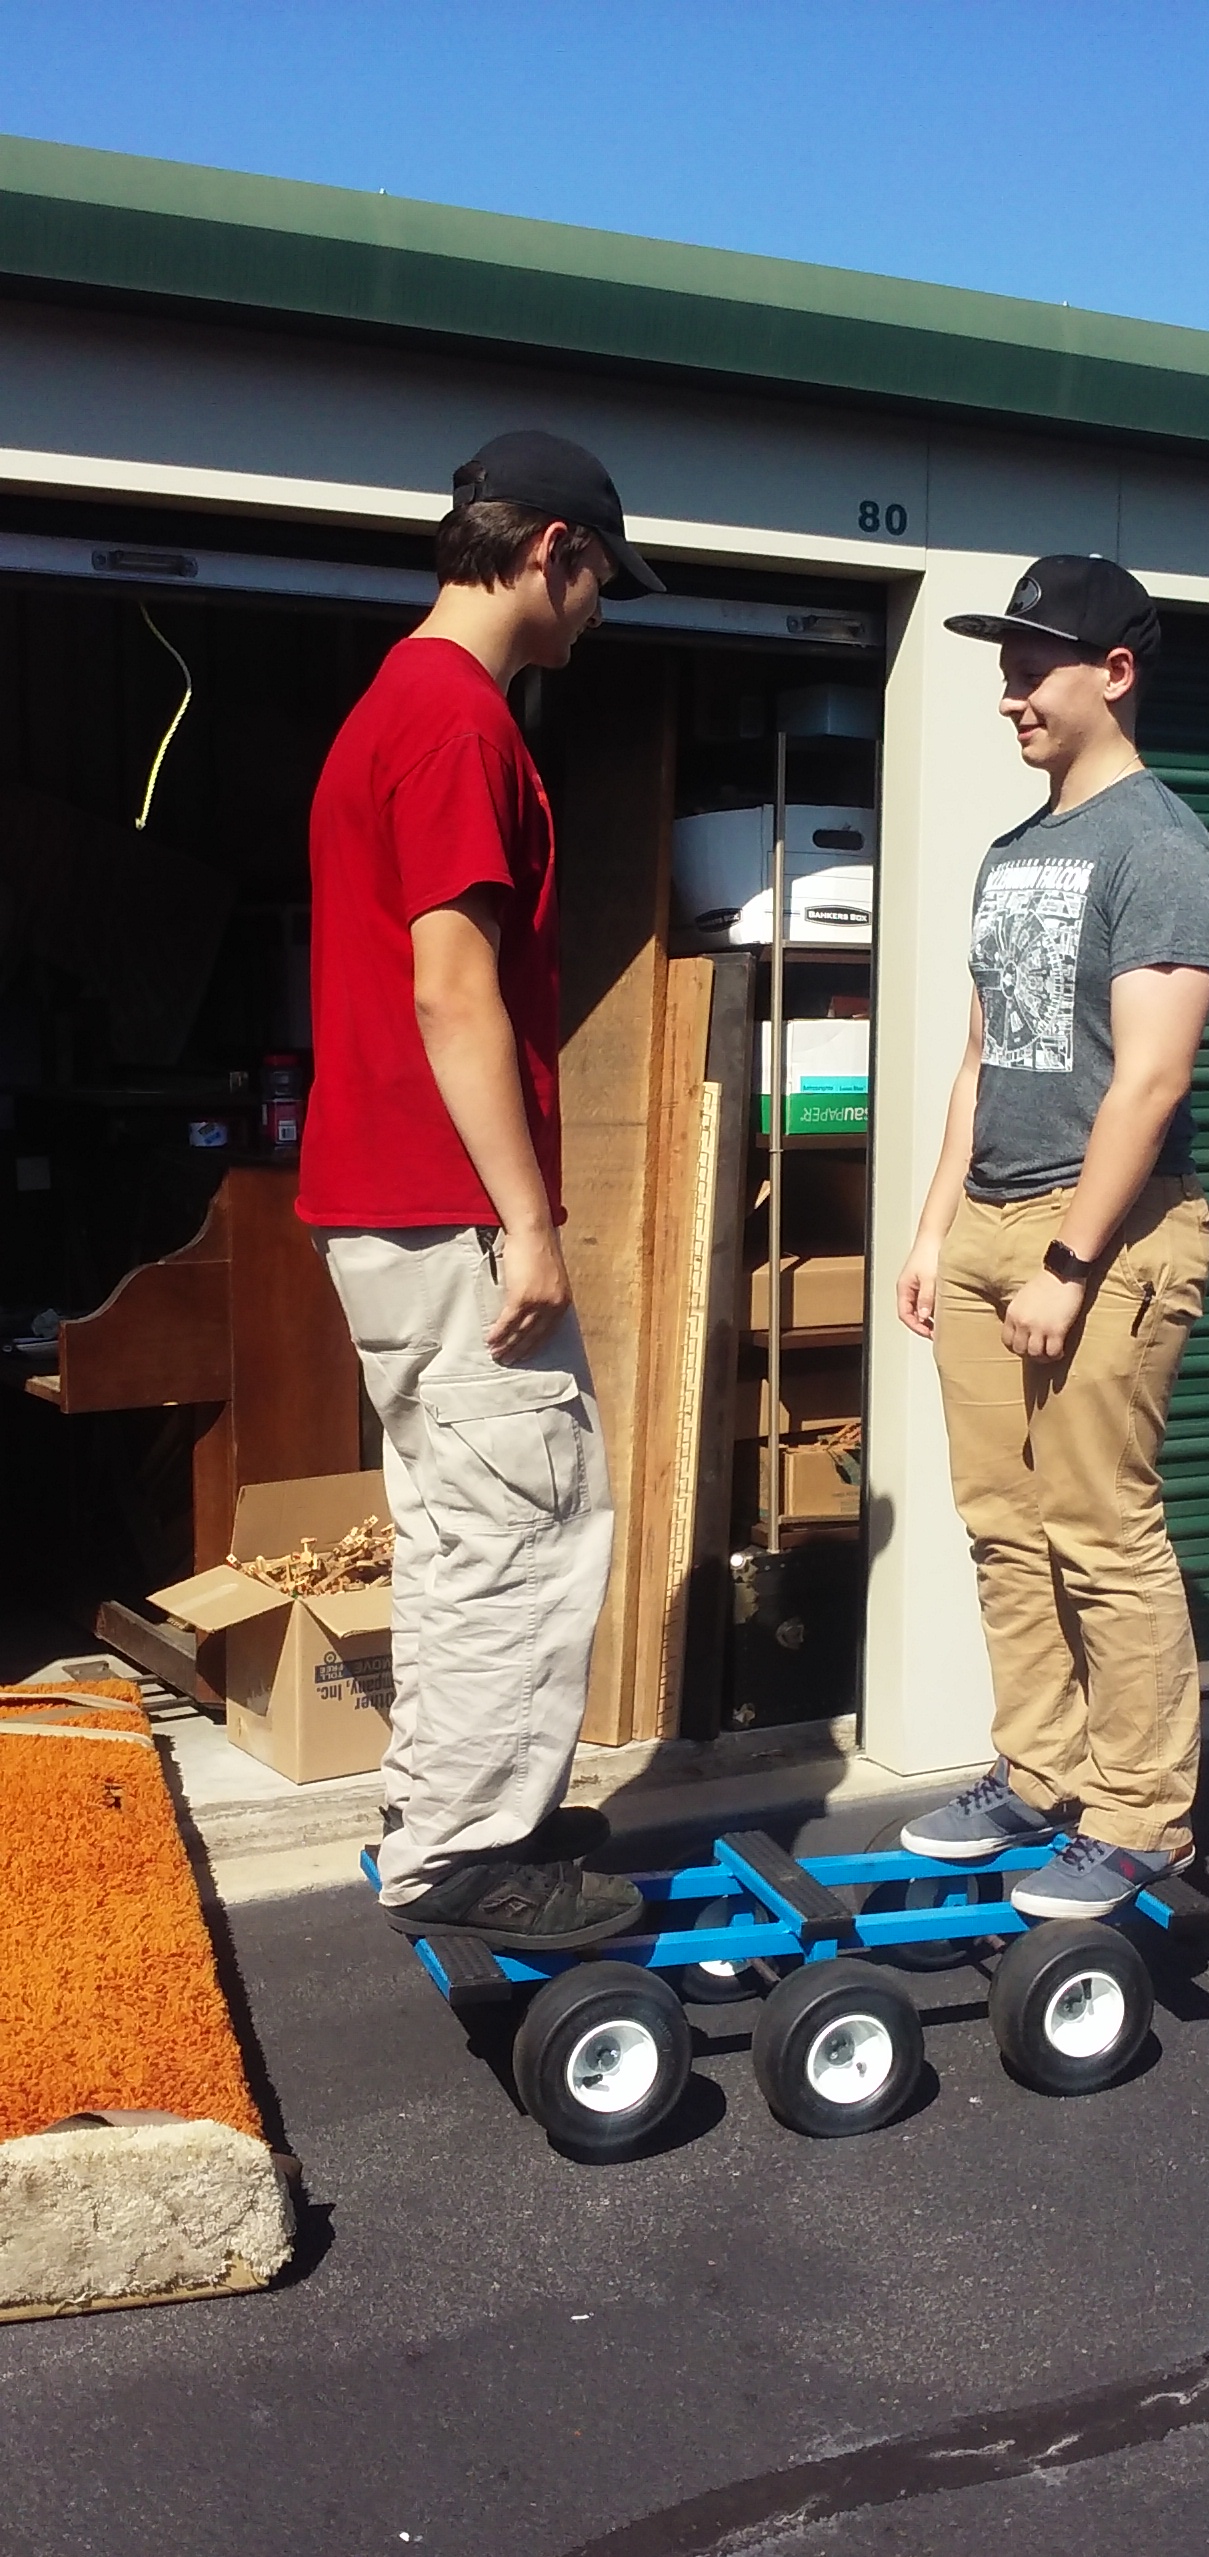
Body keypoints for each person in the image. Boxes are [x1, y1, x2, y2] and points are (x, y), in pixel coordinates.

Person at [298, 429, 665, 1950]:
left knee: (461, 1525)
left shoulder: (392, 706)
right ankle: (470, 1847)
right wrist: (528, 1223)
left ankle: (454, 1810)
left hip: (381, 1208)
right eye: (600, 582)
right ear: (551, 552)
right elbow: (455, 992)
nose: (598, 613)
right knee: (530, 1519)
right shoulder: (459, 726)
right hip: (450, 1213)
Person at [895, 555, 1209, 1915]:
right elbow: (983, 1056)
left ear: (1117, 673)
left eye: (1034, 669)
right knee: (1003, 1526)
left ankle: (1143, 1816)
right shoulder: (1014, 852)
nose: (1010, 695)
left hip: (1105, 1240)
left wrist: (1070, 1261)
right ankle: (1039, 1771)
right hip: (990, 1226)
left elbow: (1150, 1080)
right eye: (1006, 670)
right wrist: (937, 1230)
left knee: (1100, 1529)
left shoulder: (1163, 850)